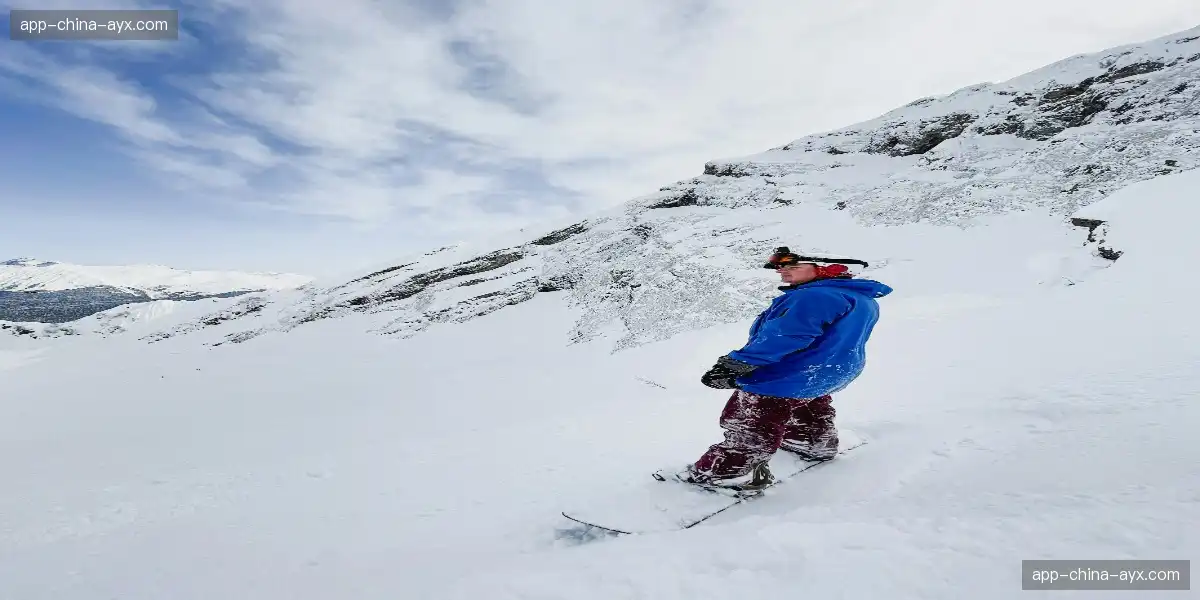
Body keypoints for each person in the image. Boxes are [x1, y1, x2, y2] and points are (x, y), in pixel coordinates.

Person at [678, 246, 893, 490]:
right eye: (781, 266)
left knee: (752, 421)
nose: (782, 271)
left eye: (792, 266)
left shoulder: (813, 297)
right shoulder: (860, 299)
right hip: (828, 371)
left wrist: (736, 364)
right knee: (809, 405)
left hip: (787, 374)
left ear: (829, 268)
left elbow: (784, 336)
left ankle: (724, 473)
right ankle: (812, 442)